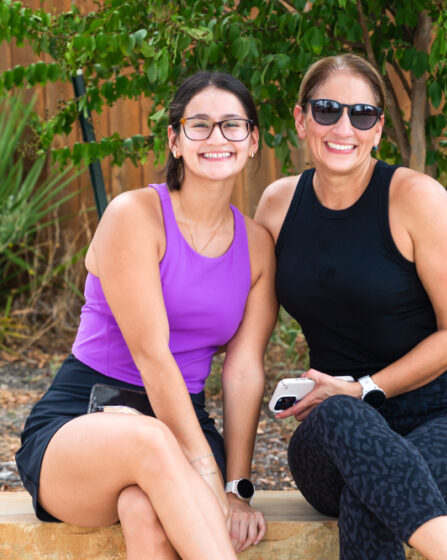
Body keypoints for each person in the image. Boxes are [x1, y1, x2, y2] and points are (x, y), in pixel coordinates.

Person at [255, 54, 447, 560]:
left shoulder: (416, 199)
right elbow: (244, 346)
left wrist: (363, 389)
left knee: (371, 496)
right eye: (328, 109)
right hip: (336, 434)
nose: (343, 127)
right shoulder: (277, 205)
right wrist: (234, 486)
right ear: (300, 118)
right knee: (339, 416)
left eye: (362, 115)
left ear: (378, 129)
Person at [16, 71, 277, 559]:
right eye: (198, 125)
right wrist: (204, 474)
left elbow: (243, 371)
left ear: (253, 140)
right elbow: (152, 354)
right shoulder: (133, 215)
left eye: (232, 125)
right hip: (83, 420)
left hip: (186, 426)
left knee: (144, 509)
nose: (217, 137)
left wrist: (235, 487)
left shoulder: (258, 247)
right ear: (175, 140)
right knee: (149, 437)